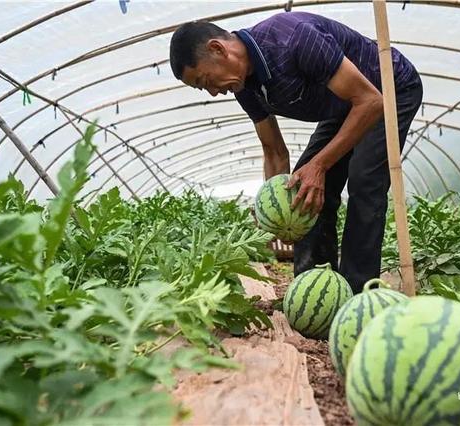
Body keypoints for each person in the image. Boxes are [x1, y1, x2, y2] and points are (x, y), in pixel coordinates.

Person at [169, 11, 422, 293]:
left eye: (205, 81)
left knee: (365, 180)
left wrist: (320, 165)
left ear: (218, 49)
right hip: (343, 104)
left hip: (387, 88)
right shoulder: (243, 86)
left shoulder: (292, 38)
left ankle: (357, 292)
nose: (213, 93)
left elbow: (371, 101)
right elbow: (274, 150)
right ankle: (314, 288)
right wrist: (274, 212)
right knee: (302, 190)